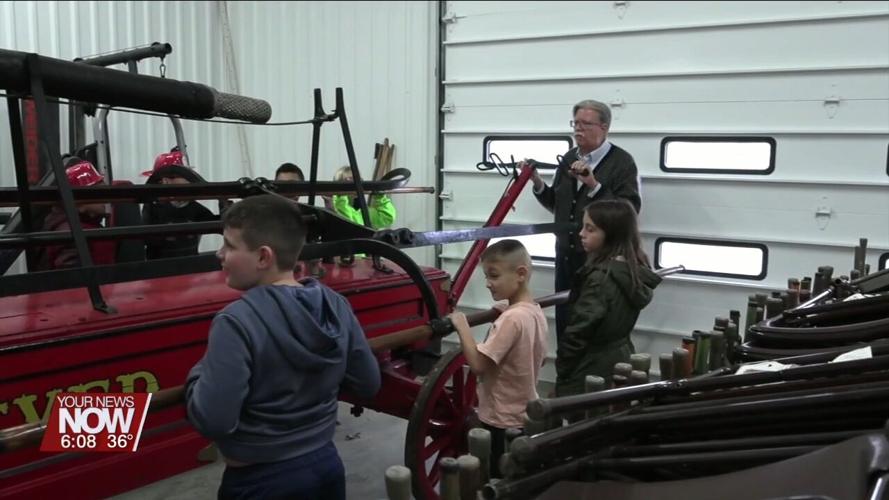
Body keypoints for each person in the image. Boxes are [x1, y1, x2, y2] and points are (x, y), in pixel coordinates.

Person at [184, 194, 381, 500]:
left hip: (258, 481)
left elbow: (214, 420)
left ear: (264, 257)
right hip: (326, 465)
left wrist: (198, 374)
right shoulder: (336, 304)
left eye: (230, 246)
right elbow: (368, 383)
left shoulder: (236, 321)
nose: (220, 254)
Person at [529, 99, 642, 344]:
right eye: (575, 123)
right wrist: (537, 183)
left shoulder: (622, 163)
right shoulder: (569, 159)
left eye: (586, 124)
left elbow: (629, 210)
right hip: (566, 257)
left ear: (604, 127)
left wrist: (593, 185)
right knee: (566, 322)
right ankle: (566, 377)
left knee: (593, 325)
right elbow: (558, 206)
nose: (578, 129)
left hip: (601, 261)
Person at [448, 239, 548, 478]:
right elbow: (541, 360)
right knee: (516, 474)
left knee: (495, 475)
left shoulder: (511, 320)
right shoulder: (534, 311)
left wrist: (462, 327)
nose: (487, 284)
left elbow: (478, 365)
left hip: (500, 419)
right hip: (524, 414)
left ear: (521, 274)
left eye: (493, 276)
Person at [555, 199, 660, 401]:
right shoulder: (631, 271)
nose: (581, 233)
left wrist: (564, 370)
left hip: (590, 368)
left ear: (611, 235)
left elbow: (579, 331)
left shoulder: (600, 279)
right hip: (620, 357)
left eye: (590, 229)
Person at [36, 159, 116, 270]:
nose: (104, 199)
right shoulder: (71, 233)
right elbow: (72, 280)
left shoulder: (83, 224)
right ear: (77, 201)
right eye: (97, 191)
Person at [141, 150, 217, 260]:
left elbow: (216, 223)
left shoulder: (194, 207)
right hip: (159, 268)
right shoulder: (153, 207)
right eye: (185, 176)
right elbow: (146, 238)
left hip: (190, 266)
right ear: (165, 181)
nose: (190, 181)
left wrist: (224, 204)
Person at [328, 165, 396, 229]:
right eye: (348, 181)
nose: (355, 184)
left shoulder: (364, 212)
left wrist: (379, 197)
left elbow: (387, 217)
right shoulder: (335, 210)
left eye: (357, 180)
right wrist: (342, 195)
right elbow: (348, 222)